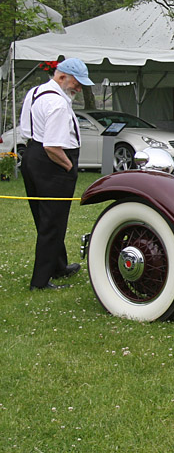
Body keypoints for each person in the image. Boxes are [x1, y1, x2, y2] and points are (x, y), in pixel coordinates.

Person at [19, 58, 93, 291]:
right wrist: (69, 166)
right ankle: (40, 281)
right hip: (51, 161)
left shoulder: (36, 92)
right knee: (53, 222)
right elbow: (52, 146)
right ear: (62, 77)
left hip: (32, 156)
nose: (79, 89)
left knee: (44, 217)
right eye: (76, 83)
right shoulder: (59, 104)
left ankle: (58, 265)